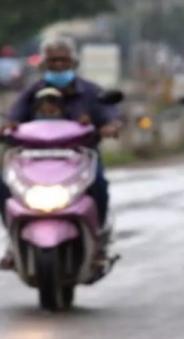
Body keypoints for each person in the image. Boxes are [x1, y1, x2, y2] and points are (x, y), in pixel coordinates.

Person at [0, 36, 122, 269]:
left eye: (63, 60)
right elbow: (13, 117)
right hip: (33, 163)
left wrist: (111, 125)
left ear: (74, 62)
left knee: (99, 187)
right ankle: (12, 244)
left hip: (79, 161)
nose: (58, 65)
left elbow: (109, 113)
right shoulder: (31, 92)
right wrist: (8, 127)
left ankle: (97, 244)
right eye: (53, 60)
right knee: (4, 187)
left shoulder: (90, 91)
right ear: (44, 64)